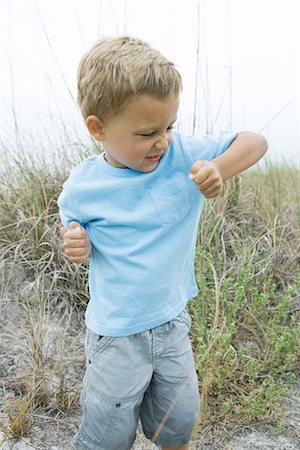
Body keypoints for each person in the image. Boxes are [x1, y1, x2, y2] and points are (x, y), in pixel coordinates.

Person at [58, 36, 268, 450]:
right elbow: (72, 229)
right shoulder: (83, 186)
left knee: (179, 422)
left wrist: (218, 168)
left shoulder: (182, 155)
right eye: (147, 132)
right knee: (108, 433)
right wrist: (74, 243)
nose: (163, 141)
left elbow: (255, 142)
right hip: (116, 335)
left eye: (169, 126)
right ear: (98, 128)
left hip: (172, 324)